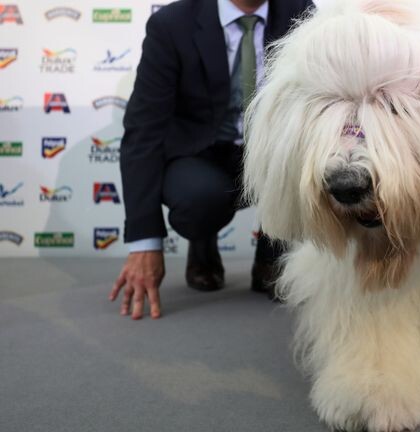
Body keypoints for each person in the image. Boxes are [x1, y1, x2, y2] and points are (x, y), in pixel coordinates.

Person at [109, 0, 313, 319]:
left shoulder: (302, 13)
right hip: (204, 153)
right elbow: (143, 131)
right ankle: (203, 243)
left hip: (276, 153)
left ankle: (273, 252)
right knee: (198, 198)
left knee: (313, 163)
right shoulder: (172, 23)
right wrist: (144, 243)